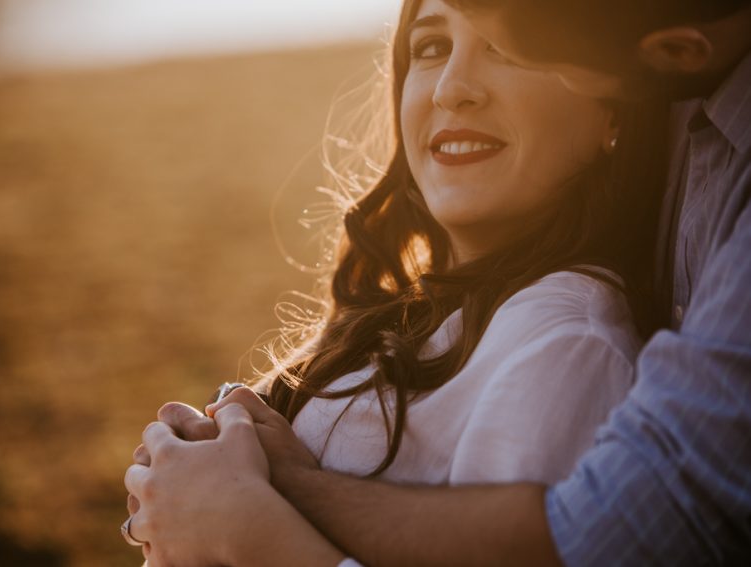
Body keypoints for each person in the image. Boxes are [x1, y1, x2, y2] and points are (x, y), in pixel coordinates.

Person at [124, 0, 751, 564]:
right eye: (429, 47)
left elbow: (611, 530)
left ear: (614, 101)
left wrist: (243, 519)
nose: (454, 88)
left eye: (508, 50)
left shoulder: (562, 345)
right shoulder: (418, 312)